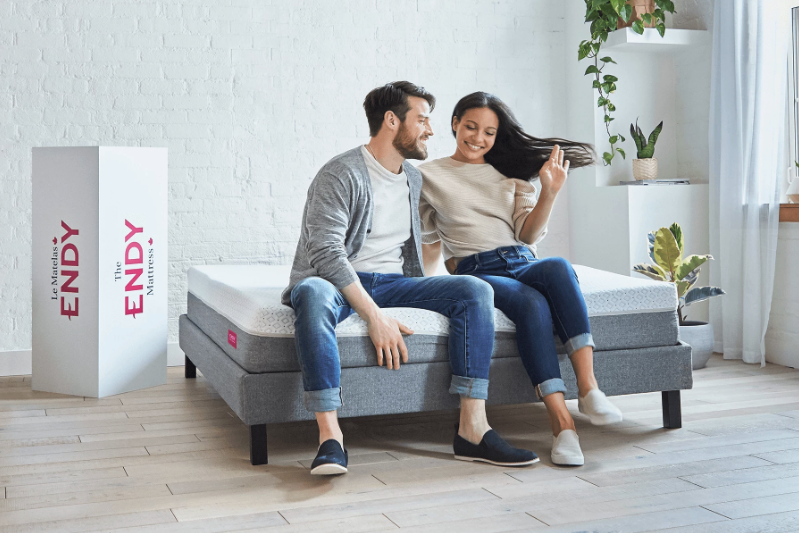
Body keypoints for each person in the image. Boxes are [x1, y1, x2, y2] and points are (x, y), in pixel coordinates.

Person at [282, 82, 538, 476]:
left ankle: (472, 428)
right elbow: (326, 253)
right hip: (335, 281)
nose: (431, 131)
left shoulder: (413, 179)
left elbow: (419, 249)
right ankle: (330, 437)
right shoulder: (341, 173)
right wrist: (374, 316)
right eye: (421, 120)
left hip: (392, 282)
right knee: (312, 293)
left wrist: (435, 286)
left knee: (474, 289)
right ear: (391, 121)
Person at [418, 91, 623, 467]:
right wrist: (424, 281)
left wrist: (550, 190)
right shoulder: (427, 176)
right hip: (478, 269)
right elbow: (425, 240)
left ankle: (590, 389)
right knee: (531, 303)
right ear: (454, 124)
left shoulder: (509, 174)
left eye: (489, 132)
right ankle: (563, 426)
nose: (478, 138)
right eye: (471, 127)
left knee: (559, 266)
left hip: (521, 257)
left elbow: (527, 236)